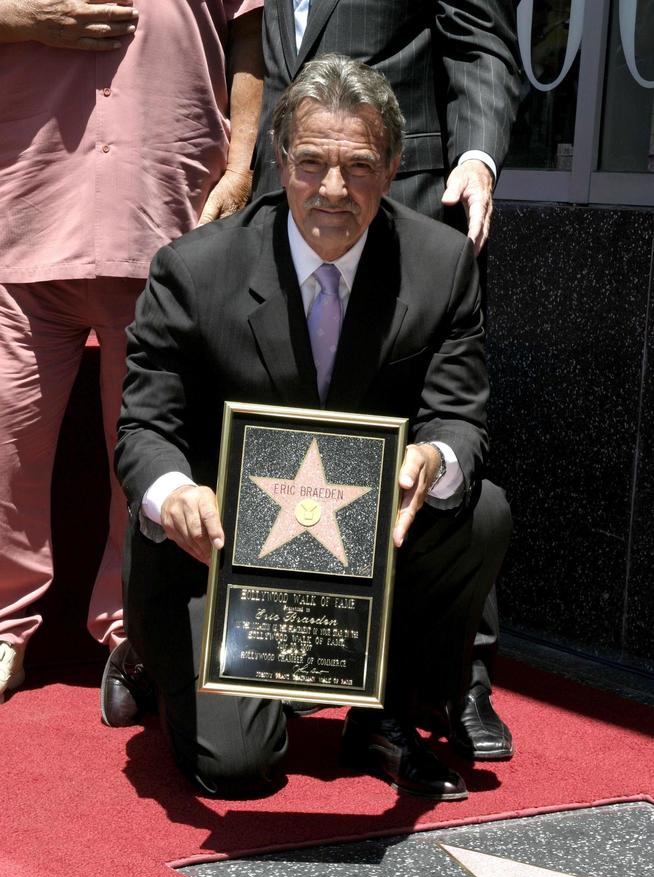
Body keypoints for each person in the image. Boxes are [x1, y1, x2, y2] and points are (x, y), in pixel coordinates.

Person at [107, 54, 512, 799]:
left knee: (479, 508)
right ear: (279, 162)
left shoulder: (441, 264)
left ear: (392, 168)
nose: (333, 190)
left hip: (362, 535)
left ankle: (387, 711)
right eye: (311, 163)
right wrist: (175, 496)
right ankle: (156, 657)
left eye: (358, 167)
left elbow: (460, 415)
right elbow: (144, 430)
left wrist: (433, 457)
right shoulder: (193, 272)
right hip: (221, 552)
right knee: (238, 769)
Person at [252, 0, 521, 760]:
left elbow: (479, 40)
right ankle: (293, 651)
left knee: (438, 445)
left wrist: (478, 155)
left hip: (408, 200)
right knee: (289, 422)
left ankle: (457, 676)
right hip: (289, 204)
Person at [0, 0, 264, 704]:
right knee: (7, 446)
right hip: (25, 197)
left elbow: (248, 30)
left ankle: (134, 634)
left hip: (168, 202)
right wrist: (20, 16)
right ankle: (4, 630)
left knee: (149, 446)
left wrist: (242, 164)